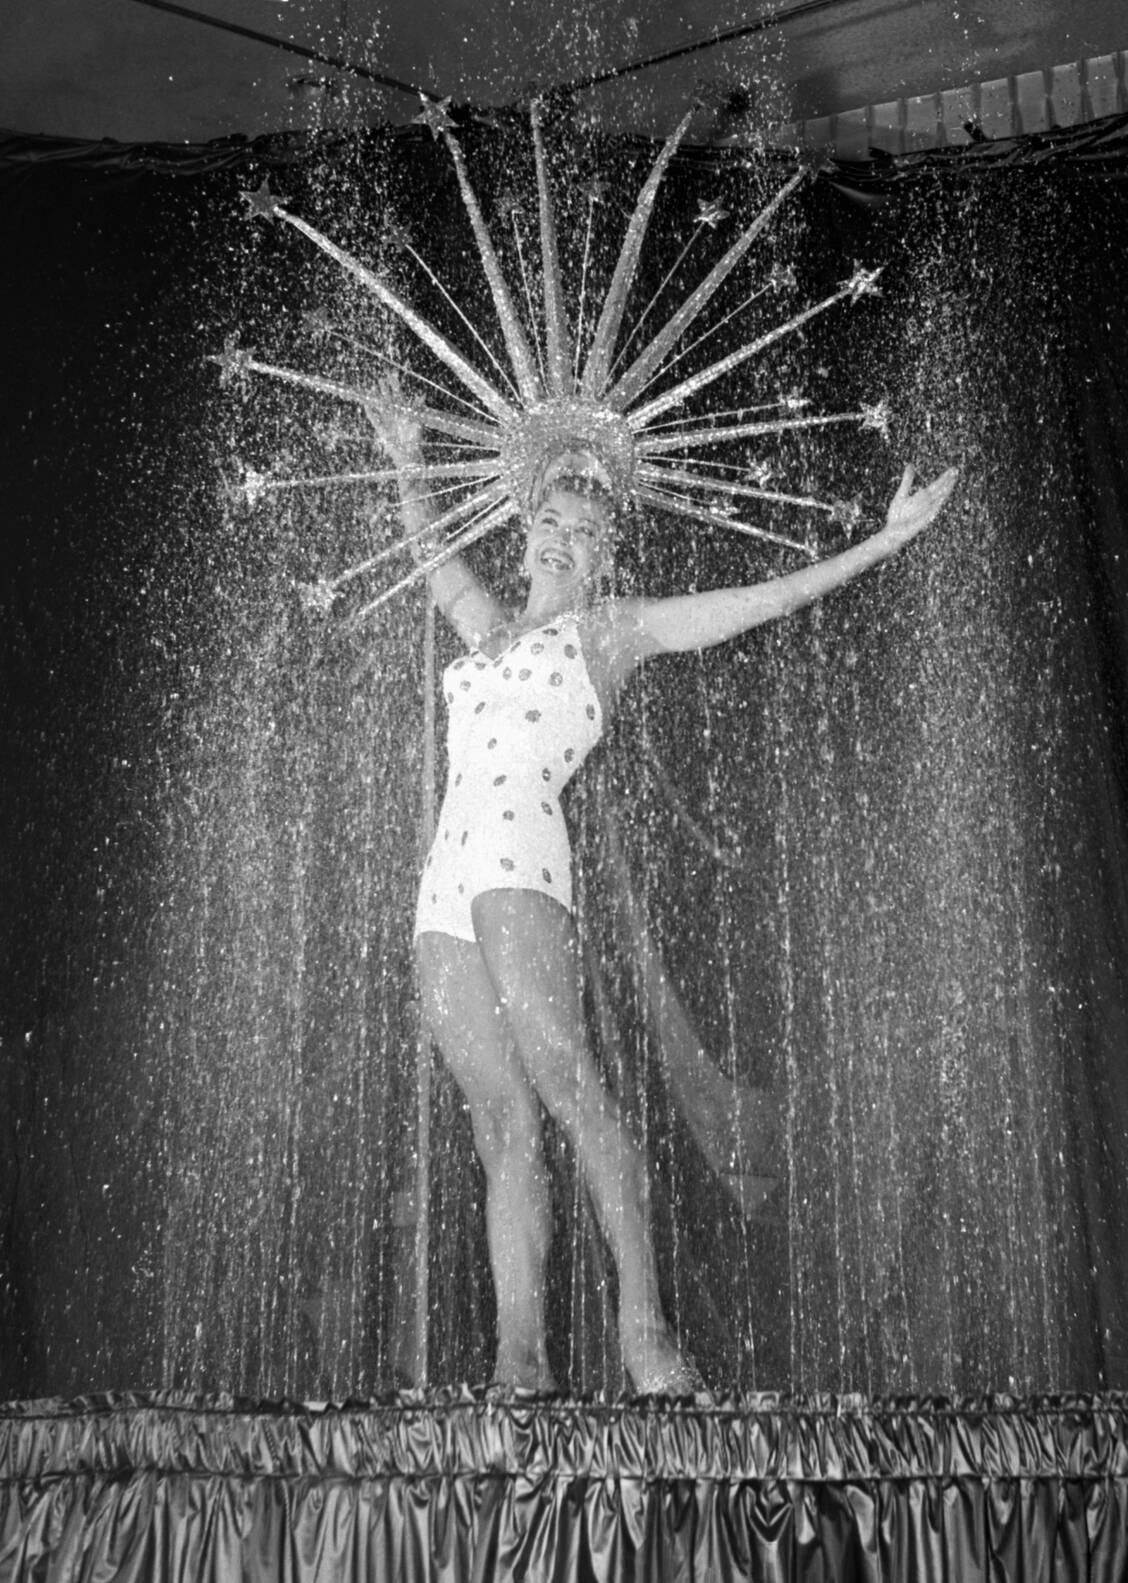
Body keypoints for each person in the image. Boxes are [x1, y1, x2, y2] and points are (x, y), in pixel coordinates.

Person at [369, 392, 957, 1392]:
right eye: (551, 522)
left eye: (586, 532)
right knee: (497, 1123)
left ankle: (646, 1331)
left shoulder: (613, 632)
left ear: (604, 558)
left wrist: (883, 544)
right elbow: (432, 554)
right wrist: (408, 463)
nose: (564, 539)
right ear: (523, 532)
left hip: (519, 848)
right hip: (447, 871)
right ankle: (520, 1357)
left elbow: (762, 599)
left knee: (571, 1088)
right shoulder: (483, 628)